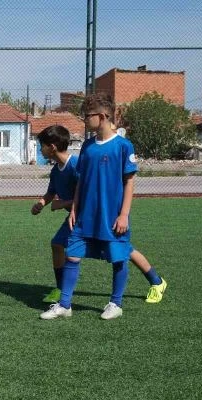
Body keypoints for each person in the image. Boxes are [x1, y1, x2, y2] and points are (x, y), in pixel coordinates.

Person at [32, 125, 168, 307]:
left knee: (124, 250)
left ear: (52, 147)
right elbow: (51, 192)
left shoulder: (75, 164)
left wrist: (63, 204)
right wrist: (42, 203)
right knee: (57, 244)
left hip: (94, 216)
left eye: (42, 145)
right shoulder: (57, 170)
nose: (40, 149)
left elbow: (88, 192)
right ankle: (60, 289)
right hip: (77, 218)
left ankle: (156, 282)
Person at [40, 93, 138, 320]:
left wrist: (124, 214)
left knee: (118, 257)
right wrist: (74, 208)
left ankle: (116, 303)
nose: (84, 120)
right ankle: (64, 305)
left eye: (87, 116)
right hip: (85, 214)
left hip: (112, 214)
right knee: (72, 254)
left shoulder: (123, 146)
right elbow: (81, 182)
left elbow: (129, 182)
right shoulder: (87, 146)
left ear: (102, 116)